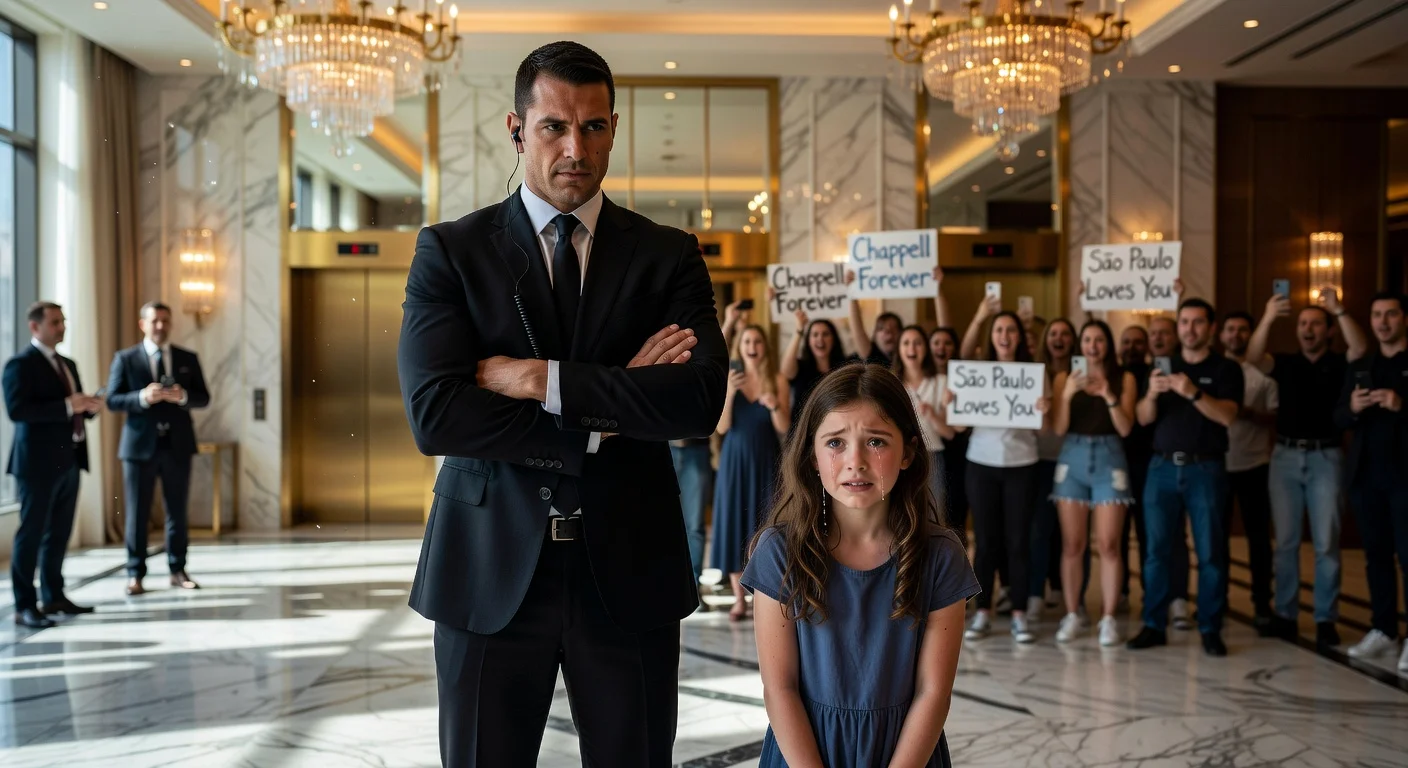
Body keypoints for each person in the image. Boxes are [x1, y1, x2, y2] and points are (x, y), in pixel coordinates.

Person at [396, 42, 728, 767]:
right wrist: (610, 412)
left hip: (630, 571)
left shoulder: (668, 255)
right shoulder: (452, 252)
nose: (576, 148)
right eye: (554, 127)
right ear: (518, 129)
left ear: (615, 126)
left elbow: (697, 400)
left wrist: (535, 377)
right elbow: (437, 416)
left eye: (595, 127)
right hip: (485, 572)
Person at [743, 363, 978, 767]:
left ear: (907, 453)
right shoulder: (779, 551)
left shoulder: (941, 556)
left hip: (905, 754)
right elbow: (779, 688)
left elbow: (933, 693)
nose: (856, 461)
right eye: (835, 443)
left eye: (876, 442)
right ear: (812, 456)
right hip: (804, 753)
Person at [1247, 288, 1367, 647]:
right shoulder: (1286, 363)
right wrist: (1268, 316)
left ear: (1328, 331)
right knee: (1285, 543)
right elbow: (1252, 359)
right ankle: (1285, 613)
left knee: (1326, 542)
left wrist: (1339, 309)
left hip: (1325, 458)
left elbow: (1360, 349)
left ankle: (1325, 617)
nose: (1308, 329)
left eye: (1316, 323)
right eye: (1302, 324)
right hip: (1284, 457)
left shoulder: (1339, 363)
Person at [1128, 298, 1243, 657]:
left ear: (1209, 327)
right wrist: (1151, 394)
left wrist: (1192, 392)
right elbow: (1143, 419)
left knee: (1210, 552)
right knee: (1156, 551)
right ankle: (1153, 623)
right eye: (1185, 323)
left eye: (1197, 323)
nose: (1190, 329)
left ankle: (1210, 626)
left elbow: (1227, 417)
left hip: (1205, 468)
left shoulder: (1225, 369)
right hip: (1161, 467)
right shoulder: (1162, 367)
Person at [4, 302, 102, 628]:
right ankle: (24, 605)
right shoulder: (20, 364)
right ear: (36, 327)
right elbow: (18, 411)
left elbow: (75, 411)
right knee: (31, 535)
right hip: (37, 465)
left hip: (70, 460)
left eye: (63, 322)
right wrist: (65, 405)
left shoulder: (68, 364)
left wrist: (89, 405)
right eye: (55, 322)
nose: (62, 327)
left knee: (59, 534)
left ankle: (54, 596)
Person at [106, 301, 212, 596]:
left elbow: (203, 398)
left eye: (165, 320)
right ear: (143, 324)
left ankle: (177, 570)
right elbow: (113, 400)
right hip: (138, 447)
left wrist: (182, 397)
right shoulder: (125, 359)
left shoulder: (186, 358)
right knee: (136, 512)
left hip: (177, 445)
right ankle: (135, 573)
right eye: (155, 321)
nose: (160, 326)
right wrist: (142, 396)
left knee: (177, 510)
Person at [956, 303, 1047, 643]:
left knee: (1018, 540)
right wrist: (956, 402)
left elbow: (1045, 428)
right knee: (986, 541)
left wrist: (1044, 411)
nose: (1005, 336)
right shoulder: (977, 371)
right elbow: (961, 421)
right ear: (991, 337)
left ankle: (1020, 613)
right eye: (999, 330)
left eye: (1011, 330)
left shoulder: (1034, 372)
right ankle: (983, 612)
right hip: (981, 462)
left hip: (1022, 463)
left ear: (1019, 337)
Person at [1050, 320, 1137, 646]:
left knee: (1110, 545)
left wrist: (1109, 395)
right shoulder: (1064, 377)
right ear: (1080, 345)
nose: (1093, 345)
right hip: (1071, 457)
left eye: (1099, 339)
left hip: (1109, 458)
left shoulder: (1123, 377)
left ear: (1107, 345)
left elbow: (1126, 427)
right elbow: (1058, 428)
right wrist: (1069, 394)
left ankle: (1109, 618)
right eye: (1087, 339)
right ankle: (1073, 613)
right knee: (1073, 544)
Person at [1336, 291, 1408, 671]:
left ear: (1404, 319)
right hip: (1366, 475)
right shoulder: (1361, 364)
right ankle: (1384, 629)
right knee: (1375, 556)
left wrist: (1402, 405)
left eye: (1391, 315)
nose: (1383, 322)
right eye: (1377, 315)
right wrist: (1353, 408)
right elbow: (1338, 417)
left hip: (1404, 476)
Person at [713, 325, 789, 620]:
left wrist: (774, 407)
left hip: (767, 459)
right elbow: (721, 427)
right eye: (747, 341)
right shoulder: (730, 379)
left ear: (764, 347)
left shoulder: (777, 380)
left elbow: (784, 427)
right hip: (735, 460)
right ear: (740, 347)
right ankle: (738, 598)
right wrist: (730, 393)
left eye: (757, 340)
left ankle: (764, 594)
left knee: (766, 521)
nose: (752, 345)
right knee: (734, 521)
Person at [1218, 310, 1280, 638]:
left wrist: (1249, 414)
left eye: (1243, 330)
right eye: (1230, 329)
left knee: (1259, 540)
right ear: (1221, 335)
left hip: (1255, 464)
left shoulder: (1264, 375)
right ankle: (1218, 599)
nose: (1236, 335)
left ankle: (1261, 604)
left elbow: (1275, 418)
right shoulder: (1215, 371)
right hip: (1218, 465)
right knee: (1215, 539)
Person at [1142, 313, 1193, 629]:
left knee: (1181, 540)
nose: (1158, 338)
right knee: (1155, 543)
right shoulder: (1148, 371)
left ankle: (1180, 601)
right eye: (1154, 333)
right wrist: (1151, 392)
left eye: (1165, 332)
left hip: (1195, 463)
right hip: (1155, 462)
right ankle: (1154, 614)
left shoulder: (1190, 368)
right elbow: (1143, 418)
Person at [1031, 318, 1077, 618]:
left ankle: (1064, 590)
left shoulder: (1082, 375)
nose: (1059, 338)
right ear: (1046, 339)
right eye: (1054, 333)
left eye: (1065, 334)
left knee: (1069, 534)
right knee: (1039, 530)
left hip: (1073, 461)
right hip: (1038, 460)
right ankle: (1035, 591)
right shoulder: (1034, 374)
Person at [894, 325, 955, 512]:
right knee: (900, 510)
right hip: (897, 456)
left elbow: (950, 433)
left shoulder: (941, 382)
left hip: (932, 455)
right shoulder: (891, 382)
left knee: (934, 510)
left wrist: (933, 415)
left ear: (926, 348)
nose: (912, 348)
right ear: (899, 349)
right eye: (906, 343)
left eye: (917, 343)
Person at [777, 306, 844, 428]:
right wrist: (799, 330)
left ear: (833, 339)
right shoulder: (801, 367)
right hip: (803, 433)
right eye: (815, 334)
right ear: (808, 341)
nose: (820, 339)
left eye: (825, 334)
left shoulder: (844, 368)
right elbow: (785, 371)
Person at [845, 273, 901, 366]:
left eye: (894, 328)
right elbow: (857, 330)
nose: (888, 332)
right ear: (875, 336)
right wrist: (852, 291)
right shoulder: (871, 355)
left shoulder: (908, 358)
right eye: (881, 328)